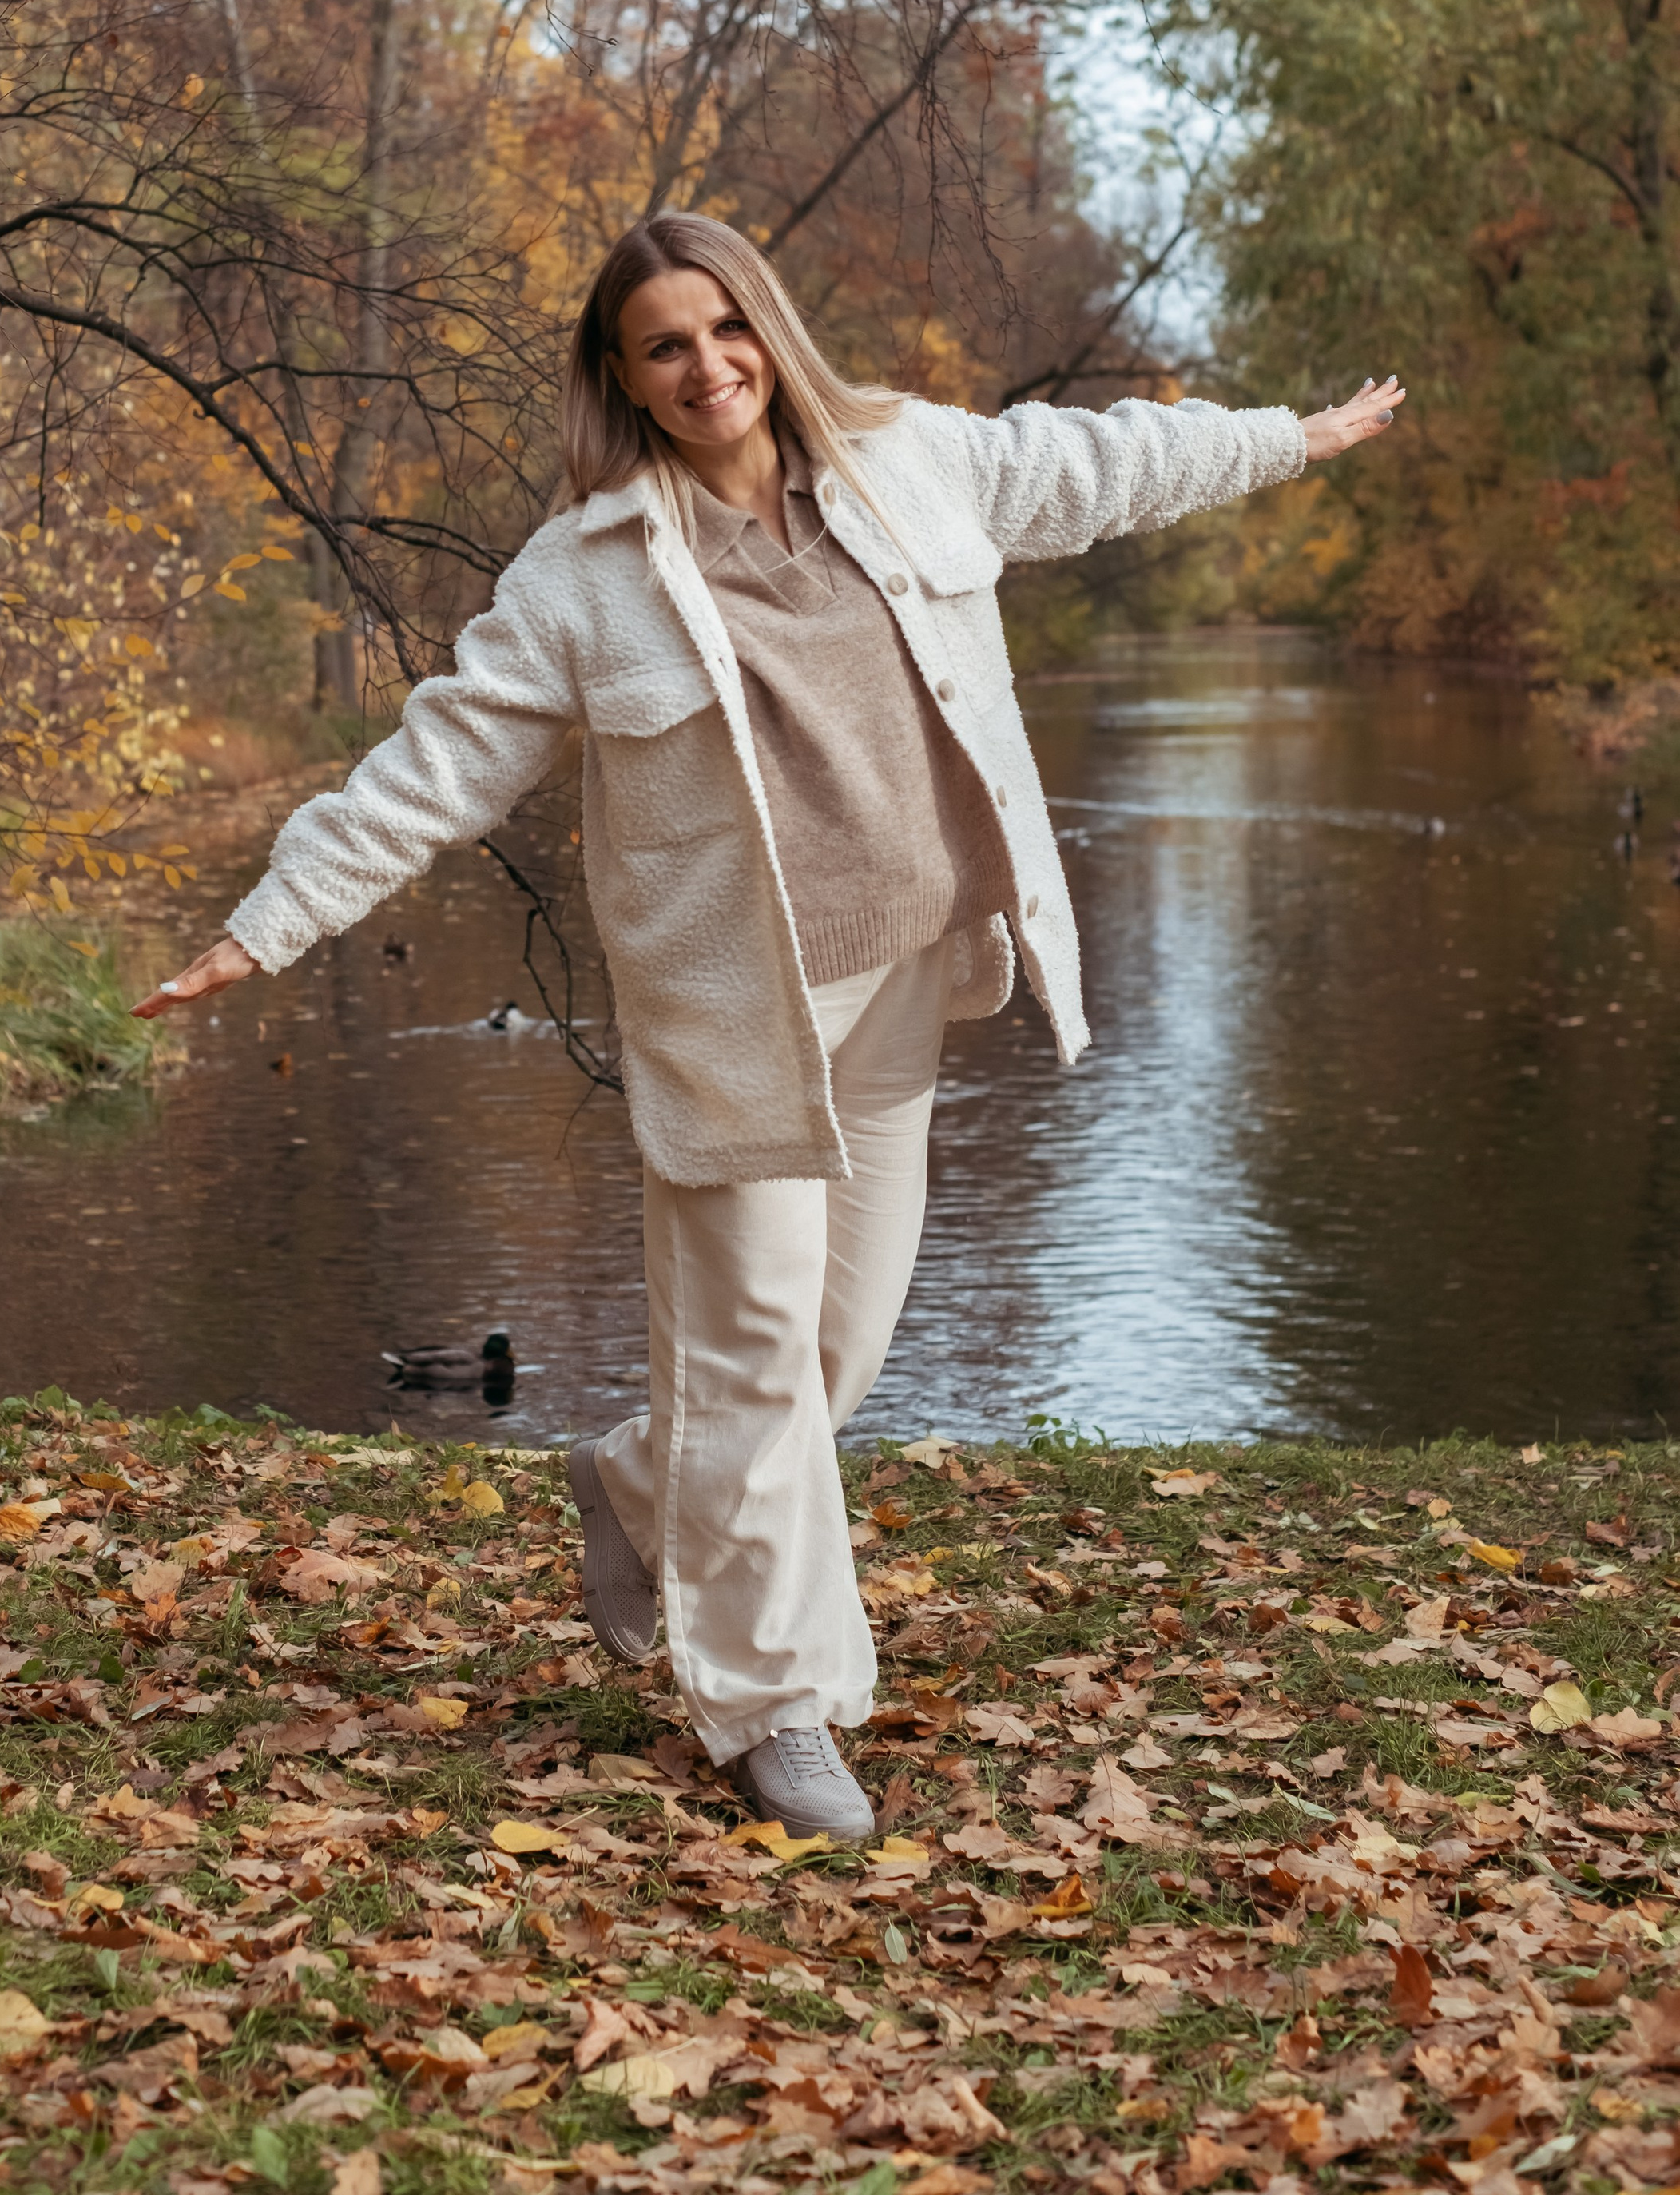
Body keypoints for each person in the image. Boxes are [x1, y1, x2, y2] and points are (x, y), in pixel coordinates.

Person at [134, 213, 1404, 1839]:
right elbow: (436, 765)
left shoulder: (907, 466)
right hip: (736, 1022)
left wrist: (1287, 438)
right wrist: (268, 923)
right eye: (663, 345)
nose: (706, 367)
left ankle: (634, 1478)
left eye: (725, 330)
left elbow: (1094, 462)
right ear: (621, 376)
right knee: (749, 1355)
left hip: (902, 992)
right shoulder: (582, 580)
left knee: (832, 1350)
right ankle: (770, 1712)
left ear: (768, 332)